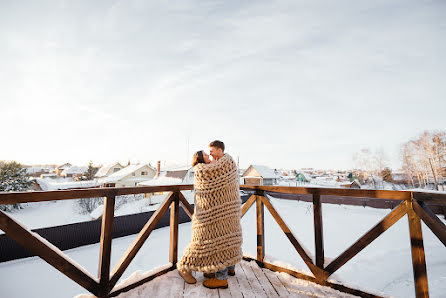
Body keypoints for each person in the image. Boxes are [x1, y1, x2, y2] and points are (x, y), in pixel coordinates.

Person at [177, 140, 243, 290]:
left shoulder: (219, 166)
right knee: (226, 237)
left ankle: (221, 277)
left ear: (219, 150)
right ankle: (226, 267)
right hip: (224, 212)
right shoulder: (223, 165)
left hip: (220, 212)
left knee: (215, 239)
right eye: (207, 154)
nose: (210, 155)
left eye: (211, 151)